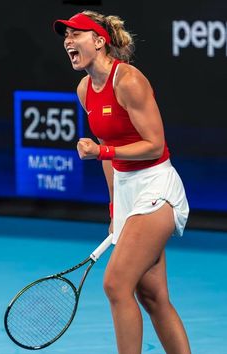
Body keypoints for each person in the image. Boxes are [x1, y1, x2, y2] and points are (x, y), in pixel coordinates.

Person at [53, 10, 191, 354]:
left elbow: (155, 143)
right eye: (66, 36)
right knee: (154, 296)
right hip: (128, 192)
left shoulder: (128, 80)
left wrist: (102, 151)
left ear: (99, 41)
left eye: (77, 34)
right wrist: (116, 208)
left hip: (157, 188)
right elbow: (112, 163)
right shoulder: (85, 89)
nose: (68, 41)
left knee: (116, 284)